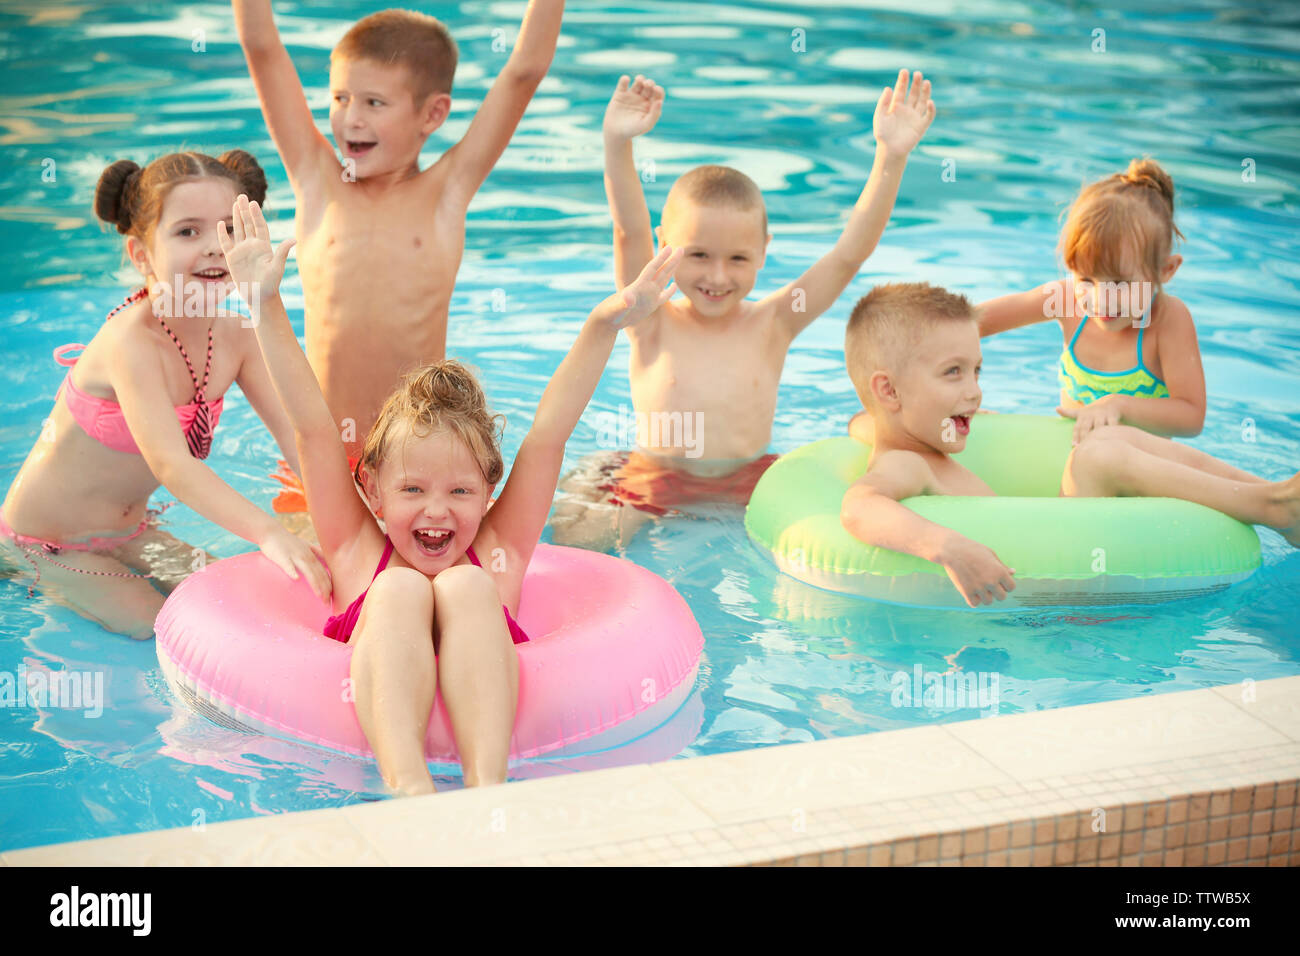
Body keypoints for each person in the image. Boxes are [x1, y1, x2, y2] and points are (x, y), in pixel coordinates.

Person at [219, 193, 681, 794]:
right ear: (373, 490)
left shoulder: (497, 553)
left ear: (490, 491)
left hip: (488, 733)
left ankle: (485, 787)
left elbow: (548, 435)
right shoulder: (357, 550)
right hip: (377, 725)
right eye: (412, 488)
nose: (436, 510)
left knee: (466, 585)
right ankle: (409, 787)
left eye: (461, 490)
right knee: (400, 588)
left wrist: (604, 324)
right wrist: (264, 303)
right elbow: (311, 428)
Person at [550, 69, 936, 550]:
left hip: (749, 479)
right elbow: (629, 228)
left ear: (764, 250)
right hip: (658, 475)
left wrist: (891, 156)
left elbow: (847, 255)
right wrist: (618, 142)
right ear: (664, 246)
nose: (717, 277)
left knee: (831, 535)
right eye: (698, 255)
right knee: (579, 542)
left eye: (737, 259)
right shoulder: (648, 317)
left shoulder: (776, 321)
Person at [231, 0, 565, 509]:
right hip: (324, 456)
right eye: (340, 98)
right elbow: (262, 48)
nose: (351, 118)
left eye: (374, 103)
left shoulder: (447, 192)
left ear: (432, 114)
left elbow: (524, 71)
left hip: (421, 463)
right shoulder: (317, 180)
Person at [0, 152, 328, 639]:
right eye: (188, 231)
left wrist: (353, 528)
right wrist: (269, 533)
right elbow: (174, 467)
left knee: (235, 601)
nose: (214, 247)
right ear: (141, 255)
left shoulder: (237, 336)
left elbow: (301, 437)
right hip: (46, 538)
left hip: (130, 531)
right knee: (151, 627)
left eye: (228, 230)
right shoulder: (130, 343)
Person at [838, 282, 1299, 608]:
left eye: (976, 371)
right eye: (952, 372)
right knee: (1098, 455)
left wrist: (867, 420)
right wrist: (947, 547)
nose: (975, 392)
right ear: (889, 391)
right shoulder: (907, 463)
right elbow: (859, 506)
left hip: (1059, 576)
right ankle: (1270, 506)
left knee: (1111, 435)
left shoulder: (909, 439)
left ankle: (1268, 493)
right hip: (1058, 606)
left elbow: (865, 421)